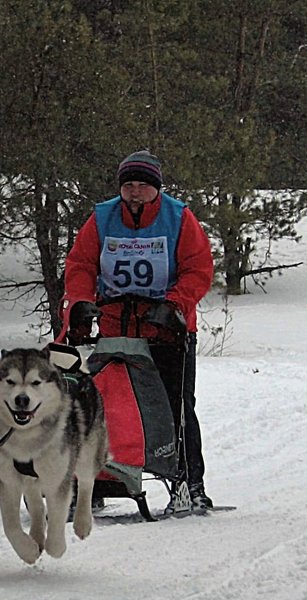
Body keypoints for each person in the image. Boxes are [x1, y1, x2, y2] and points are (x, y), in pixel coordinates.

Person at [58, 149, 215, 513]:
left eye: (143, 185)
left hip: (166, 330)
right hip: (114, 327)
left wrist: (174, 304)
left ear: (156, 188)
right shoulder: (101, 217)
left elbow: (198, 268)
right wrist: (80, 302)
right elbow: (80, 264)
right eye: (128, 185)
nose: (134, 192)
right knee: (100, 406)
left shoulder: (179, 218)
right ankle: (92, 481)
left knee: (176, 407)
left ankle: (190, 484)